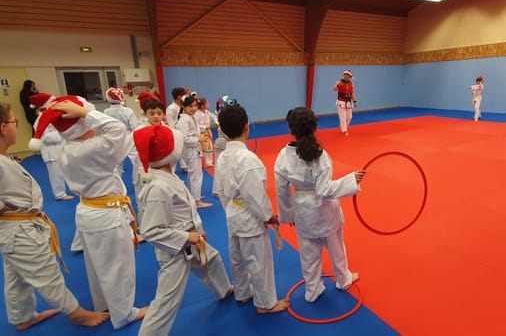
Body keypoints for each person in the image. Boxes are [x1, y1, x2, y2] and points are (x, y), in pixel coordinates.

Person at [0, 100, 109, 331]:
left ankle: (23, 316)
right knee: (46, 274)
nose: (16, 124)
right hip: (18, 232)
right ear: (3, 129)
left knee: (18, 277)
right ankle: (76, 313)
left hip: (11, 231)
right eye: (14, 121)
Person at [28, 96, 148, 329]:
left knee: (97, 266)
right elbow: (117, 129)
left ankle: (102, 302)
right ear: (80, 126)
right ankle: (123, 313)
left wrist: (82, 115)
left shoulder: (68, 147)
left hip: (88, 211)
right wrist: (84, 114)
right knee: (118, 267)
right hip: (106, 215)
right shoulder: (92, 148)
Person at [134, 125, 234, 336]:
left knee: (213, 260)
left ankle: (224, 290)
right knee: (166, 302)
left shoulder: (166, 177)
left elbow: (181, 211)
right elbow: (151, 230)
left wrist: (195, 230)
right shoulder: (157, 187)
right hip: (175, 251)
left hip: (191, 240)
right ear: (172, 154)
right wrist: (188, 236)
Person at [274, 107, 364, 302]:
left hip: (303, 212)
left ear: (291, 129)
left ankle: (312, 290)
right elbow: (324, 190)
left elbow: (281, 190)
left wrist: (288, 215)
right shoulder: (320, 155)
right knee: (336, 249)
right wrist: (351, 180)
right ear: (314, 127)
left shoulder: (283, 156)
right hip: (325, 212)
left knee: (308, 256)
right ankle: (343, 279)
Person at [215, 104, 289, 314]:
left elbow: (220, 190)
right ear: (247, 128)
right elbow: (255, 196)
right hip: (249, 217)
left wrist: (230, 208)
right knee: (258, 262)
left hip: (232, 213)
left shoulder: (222, 157)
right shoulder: (248, 160)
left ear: (221, 129)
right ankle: (266, 303)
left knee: (237, 258)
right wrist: (268, 217)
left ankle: (242, 292)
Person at [29, 93, 73, 200]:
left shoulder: (53, 116)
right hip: (51, 151)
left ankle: (70, 190)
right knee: (56, 173)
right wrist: (62, 133)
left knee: (67, 170)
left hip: (60, 148)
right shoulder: (40, 119)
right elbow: (45, 137)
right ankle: (60, 194)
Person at [176, 95, 212, 209]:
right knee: (196, 175)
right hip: (190, 150)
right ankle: (196, 201)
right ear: (184, 107)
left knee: (194, 175)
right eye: (190, 106)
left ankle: (194, 196)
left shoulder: (190, 117)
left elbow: (195, 129)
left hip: (194, 148)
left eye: (195, 106)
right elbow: (184, 138)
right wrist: (199, 139)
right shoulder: (184, 119)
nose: (193, 108)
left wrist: (204, 129)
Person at [332, 70, 357, 136]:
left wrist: (355, 101)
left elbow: (352, 93)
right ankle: (344, 130)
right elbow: (334, 89)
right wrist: (337, 85)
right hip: (341, 101)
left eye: (347, 75)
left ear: (350, 76)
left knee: (349, 117)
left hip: (348, 101)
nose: (346, 76)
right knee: (342, 117)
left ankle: (343, 126)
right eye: (345, 74)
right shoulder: (339, 82)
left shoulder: (351, 84)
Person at [195, 97, 217, 169]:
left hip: (207, 133)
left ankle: (209, 163)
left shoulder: (207, 112)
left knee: (208, 148)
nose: (208, 104)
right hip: (200, 133)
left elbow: (213, 116)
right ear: (202, 106)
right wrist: (205, 127)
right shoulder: (197, 114)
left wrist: (217, 122)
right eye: (207, 103)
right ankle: (199, 164)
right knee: (200, 150)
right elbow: (196, 124)